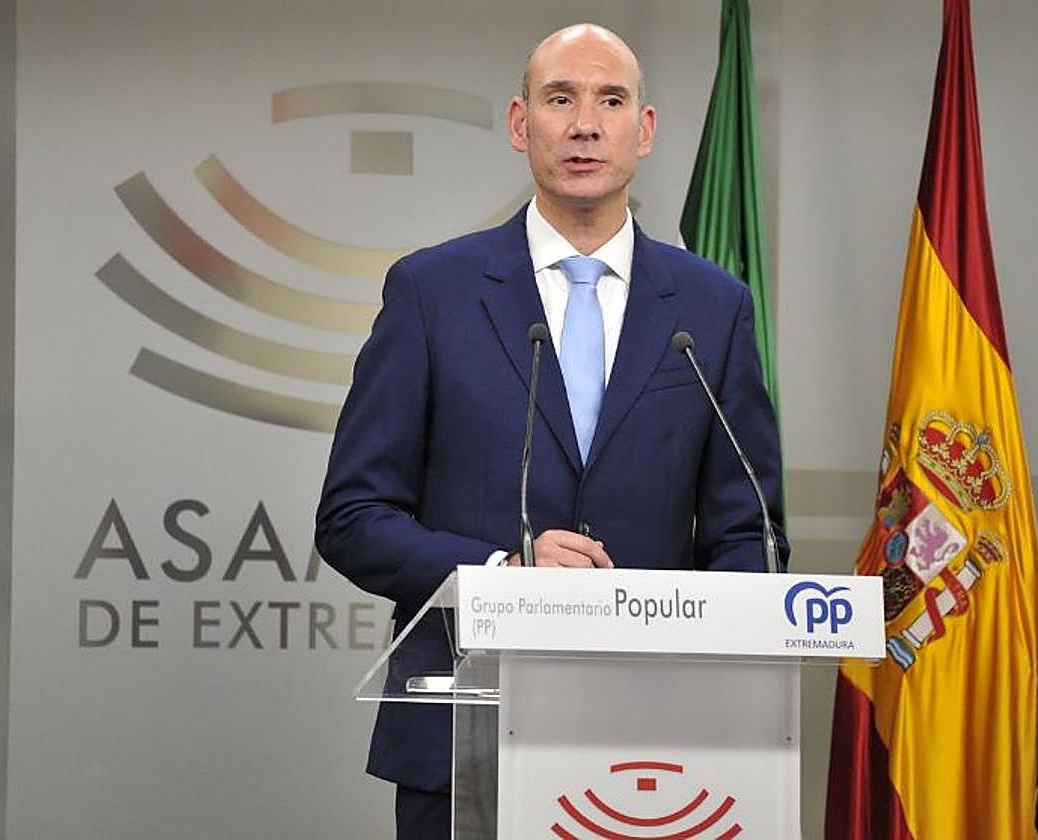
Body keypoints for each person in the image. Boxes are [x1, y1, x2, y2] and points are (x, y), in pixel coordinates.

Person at [315, 22, 787, 839]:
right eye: (559, 99)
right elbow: (353, 518)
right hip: (464, 737)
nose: (584, 124)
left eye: (610, 101)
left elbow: (752, 528)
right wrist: (503, 572)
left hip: (662, 748)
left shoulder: (713, 308)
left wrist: (707, 650)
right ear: (518, 123)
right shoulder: (433, 292)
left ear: (644, 130)